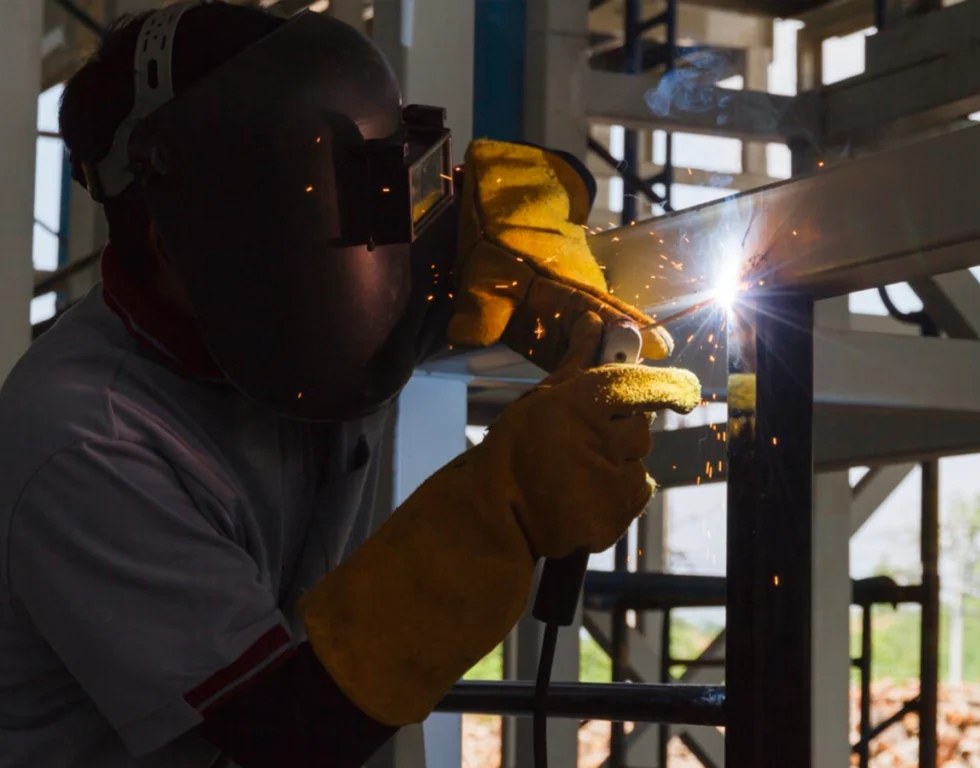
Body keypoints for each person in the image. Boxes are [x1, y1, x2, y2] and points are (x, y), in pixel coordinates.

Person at [0, 3, 700, 766]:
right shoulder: (86, 441)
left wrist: (528, 232)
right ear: (183, 247)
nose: (364, 249)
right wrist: (504, 511)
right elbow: (288, 734)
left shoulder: (324, 254)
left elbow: (472, 238)